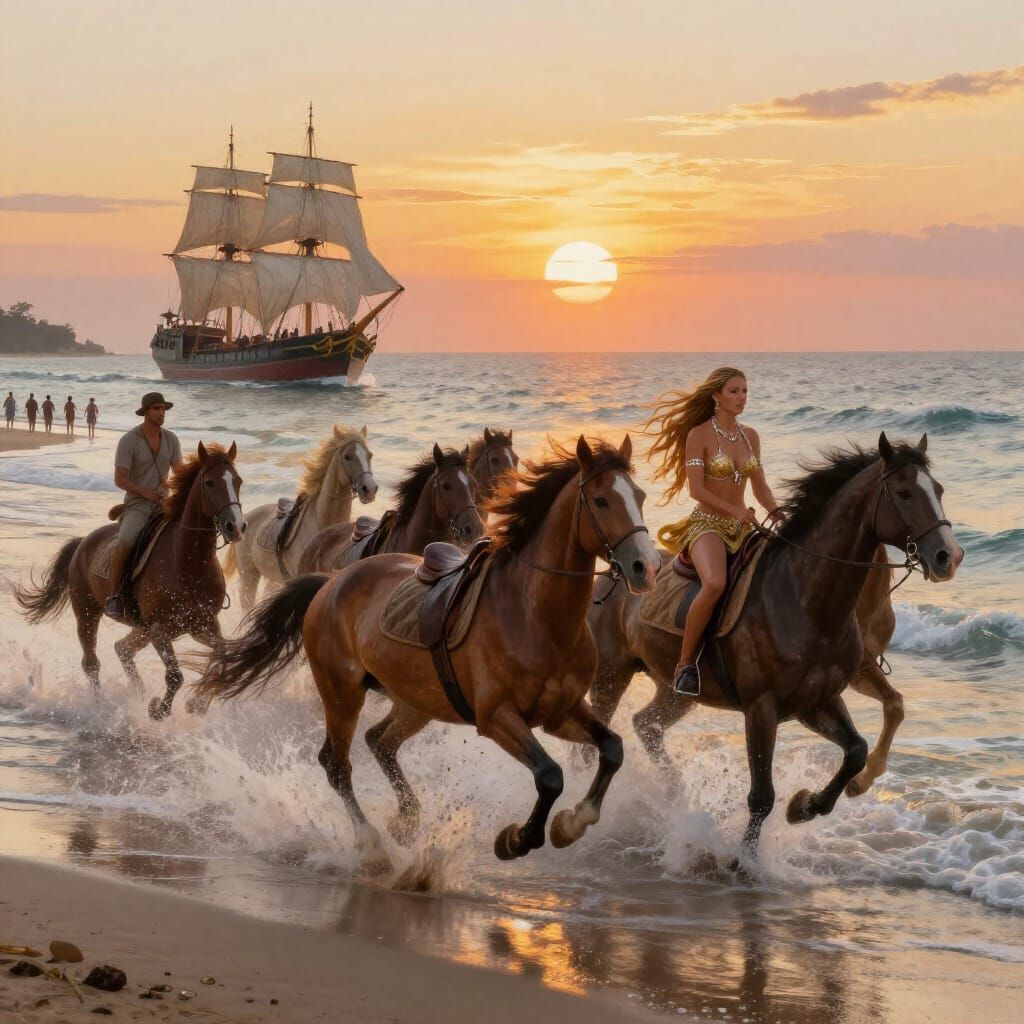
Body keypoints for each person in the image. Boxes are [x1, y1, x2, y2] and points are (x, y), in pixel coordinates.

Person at [645, 367, 780, 696]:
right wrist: (734, 510)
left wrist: (778, 513)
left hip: (743, 526)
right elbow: (697, 490)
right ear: (716, 395)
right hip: (708, 525)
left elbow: (760, 487)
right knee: (715, 583)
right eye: (734, 391)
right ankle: (685, 666)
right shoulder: (699, 435)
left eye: (745, 391)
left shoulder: (751, 436)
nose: (742, 397)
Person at [105, 392, 182, 622]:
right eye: (157, 408)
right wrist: (146, 492)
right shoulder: (129, 440)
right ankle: (115, 596)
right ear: (146, 411)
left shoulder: (171, 439)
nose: (161, 413)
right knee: (126, 540)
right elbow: (120, 479)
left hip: (164, 504)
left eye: (163, 409)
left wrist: (172, 488)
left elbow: (179, 474)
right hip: (138, 504)